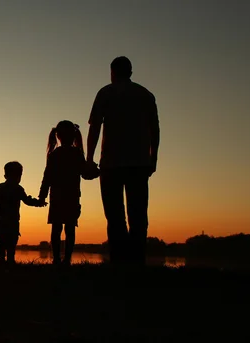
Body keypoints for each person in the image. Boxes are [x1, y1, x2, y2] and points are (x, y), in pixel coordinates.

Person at [86, 56, 160, 267]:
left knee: (115, 216)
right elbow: (155, 130)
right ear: (130, 72)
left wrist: (89, 159)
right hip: (138, 163)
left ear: (112, 72)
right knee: (138, 216)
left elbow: (94, 128)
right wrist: (153, 158)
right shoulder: (145, 95)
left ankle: (119, 262)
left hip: (111, 164)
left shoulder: (105, 93)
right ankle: (136, 262)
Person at [38, 120, 86, 266]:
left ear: (58, 136)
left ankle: (57, 260)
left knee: (56, 228)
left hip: (57, 197)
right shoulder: (77, 153)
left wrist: (42, 196)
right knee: (70, 228)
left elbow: (47, 177)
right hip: (71, 196)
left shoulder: (54, 154)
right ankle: (66, 260)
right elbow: (84, 172)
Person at [0, 162, 46, 264]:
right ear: (19, 176)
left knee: (1, 242)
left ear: (5, 175)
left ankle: (1, 260)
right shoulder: (18, 189)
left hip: (1, 221)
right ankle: (10, 260)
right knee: (11, 242)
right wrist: (38, 203)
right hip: (13, 221)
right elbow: (27, 201)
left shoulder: (1, 187)